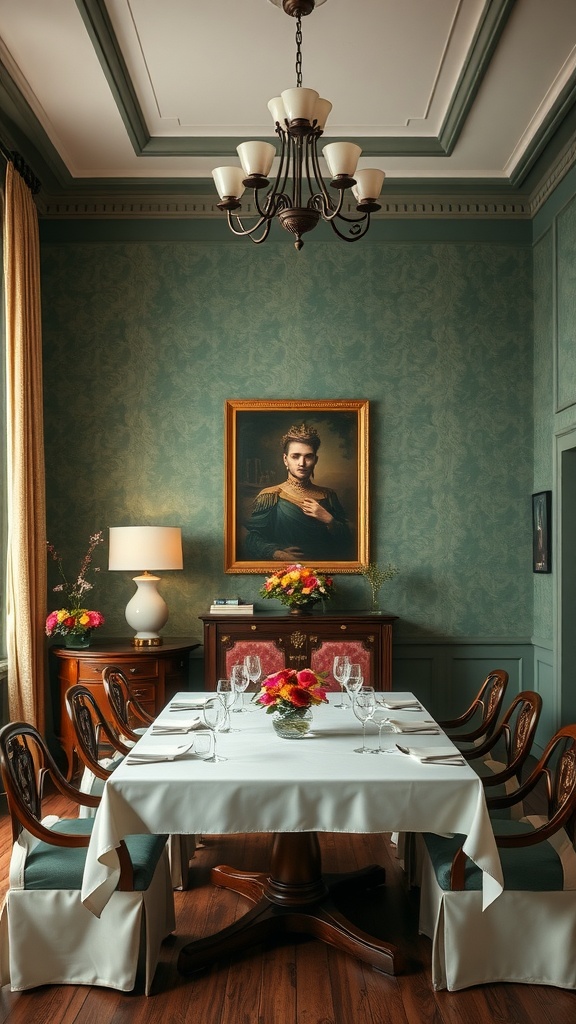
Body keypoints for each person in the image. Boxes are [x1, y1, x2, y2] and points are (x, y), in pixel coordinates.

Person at [242, 423, 353, 561]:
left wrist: (329, 519)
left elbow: (348, 541)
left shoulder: (328, 495)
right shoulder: (270, 496)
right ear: (285, 459)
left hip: (327, 570)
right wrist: (278, 554)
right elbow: (252, 539)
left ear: (315, 460)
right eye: (295, 456)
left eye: (308, 456)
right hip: (287, 573)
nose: (302, 463)